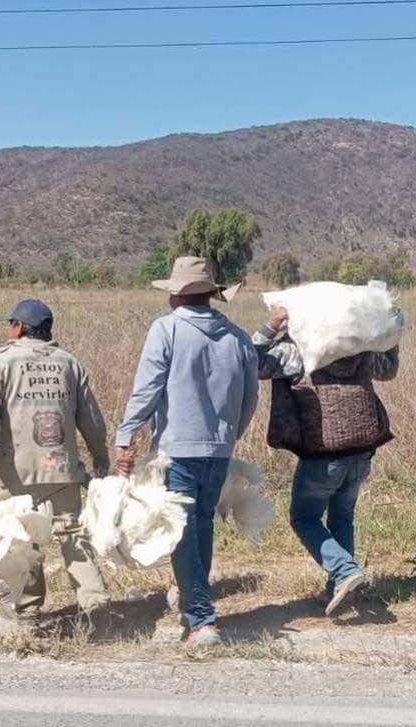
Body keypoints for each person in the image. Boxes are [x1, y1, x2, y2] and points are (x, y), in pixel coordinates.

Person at [114, 257, 259, 646]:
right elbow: (249, 399)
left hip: (178, 450)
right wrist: (229, 437)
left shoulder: (166, 330)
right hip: (219, 450)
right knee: (202, 527)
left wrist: (126, 435)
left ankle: (201, 620)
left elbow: (147, 390)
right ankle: (194, 600)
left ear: (177, 294)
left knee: (180, 532)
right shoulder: (238, 337)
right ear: (211, 294)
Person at [0, 299, 111, 628]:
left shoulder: (1, 362)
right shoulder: (69, 363)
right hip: (62, 468)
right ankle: (95, 605)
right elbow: (91, 421)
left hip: (15, 473)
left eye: (10, 324)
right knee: (73, 535)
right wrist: (99, 458)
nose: (7, 330)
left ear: (18, 327)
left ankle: (27, 610)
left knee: (19, 540)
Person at [254, 306, 400, 617]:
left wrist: (269, 328)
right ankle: (340, 586)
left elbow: (249, 362)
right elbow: (388, 369)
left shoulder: (296, 353)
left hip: (324, 453)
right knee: (341, 516)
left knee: (303, 518)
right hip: (362, 449)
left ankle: (345, 573)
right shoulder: (359, 349)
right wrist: (390, 332)